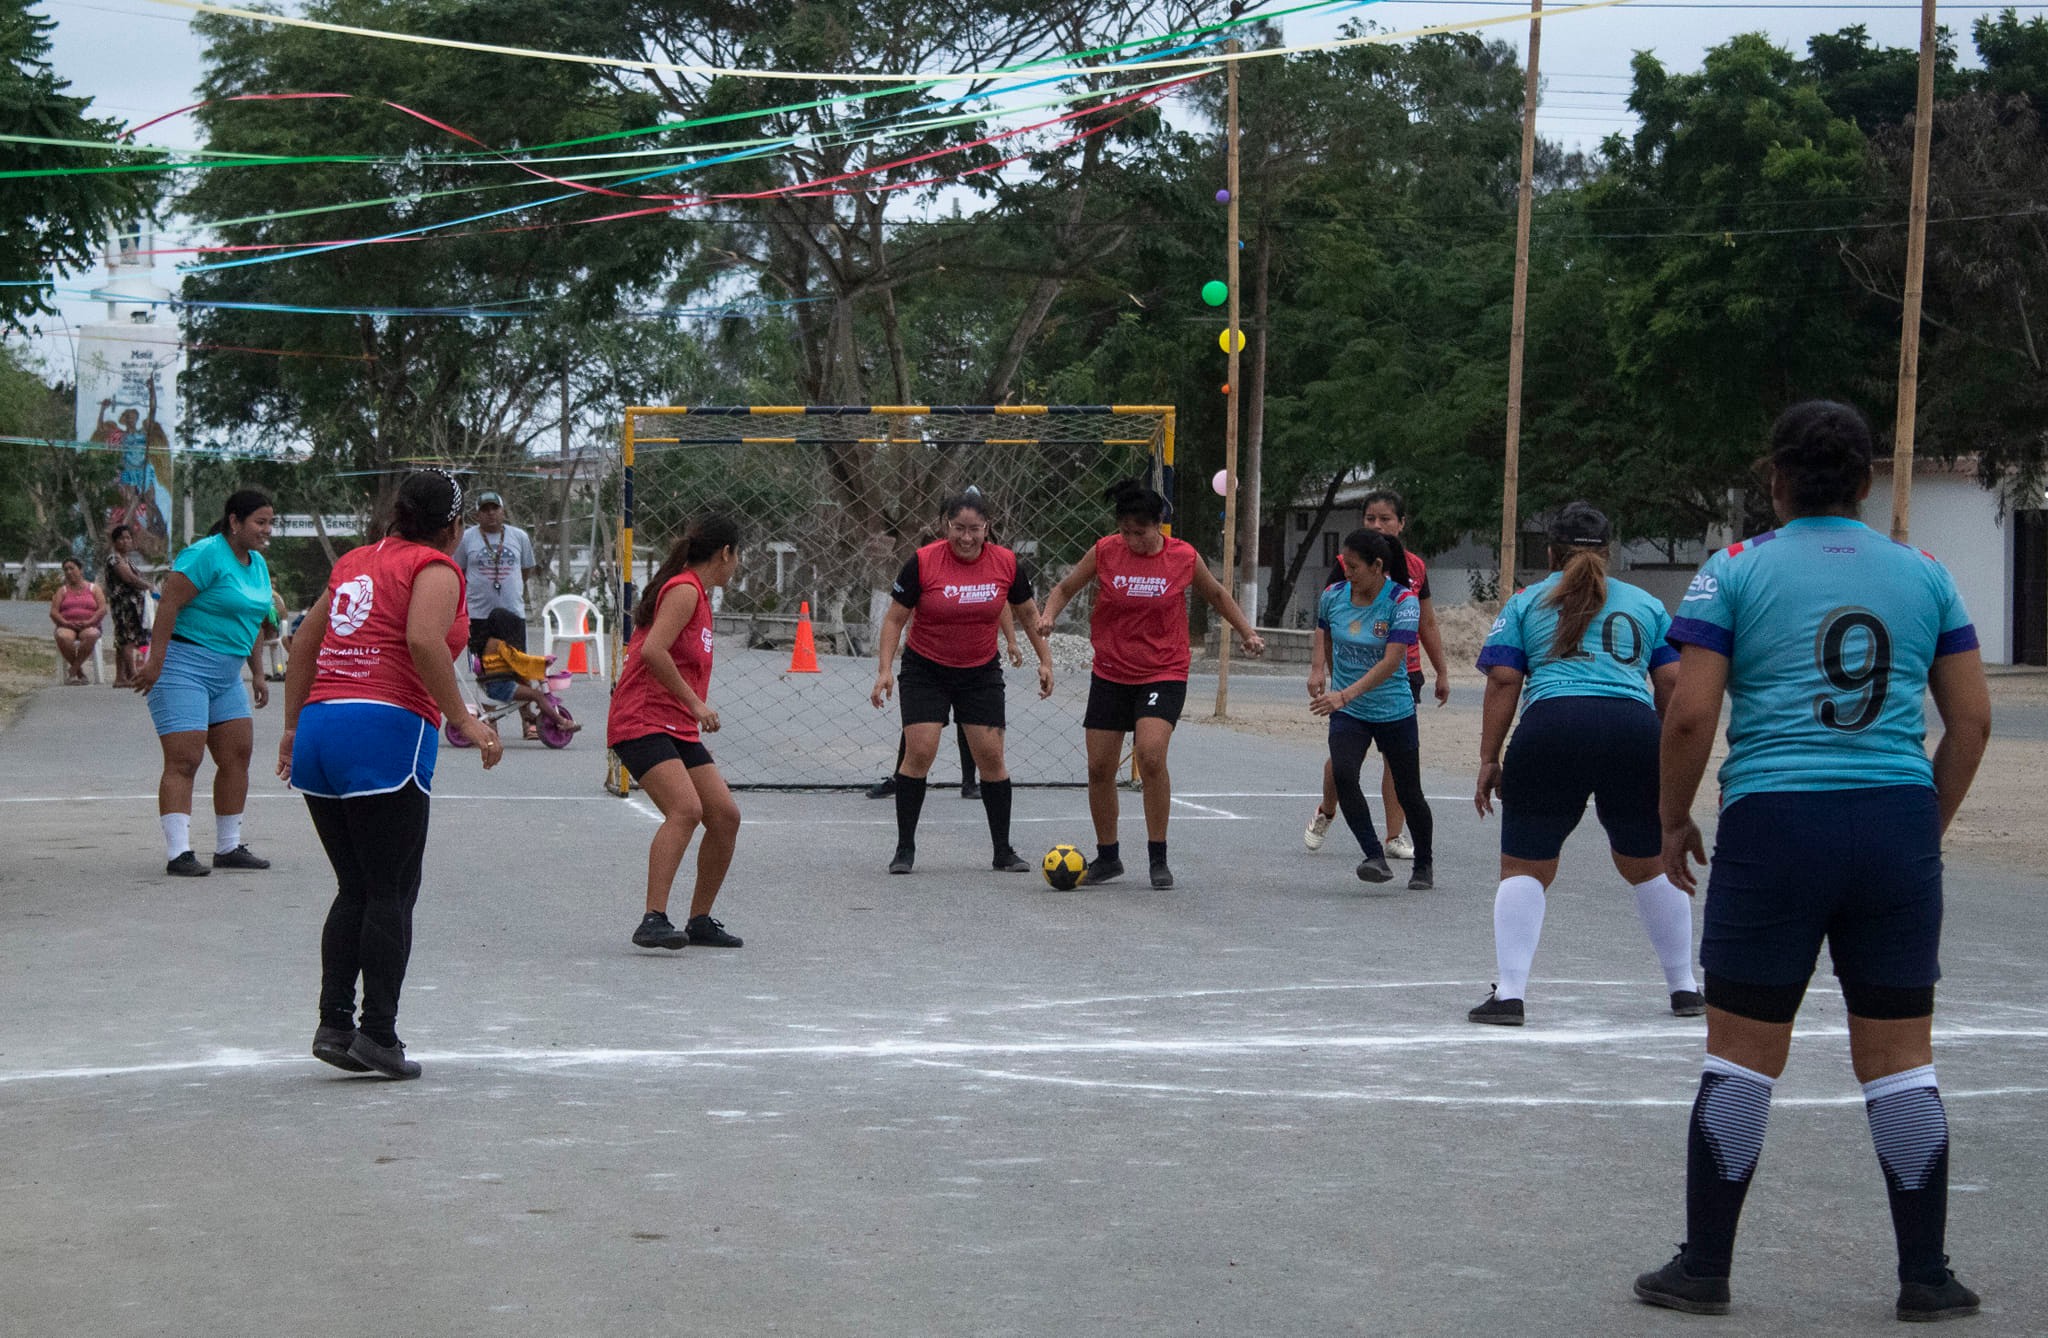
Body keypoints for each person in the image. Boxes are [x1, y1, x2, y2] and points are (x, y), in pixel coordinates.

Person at [1632, 402, 1992, 1321]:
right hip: (1894, 822)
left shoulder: (1734, 570)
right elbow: (1971, 720)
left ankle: (1705, 1268)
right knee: (1901, 1059)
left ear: (1775, 480)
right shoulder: (1927, 572)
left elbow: (1689, 714)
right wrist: (1922, 825)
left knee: (1743, 1056)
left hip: (1777, 822)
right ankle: (1926, 1277)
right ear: (1867, 481)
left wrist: (1671, 820)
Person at [281, 471, 501, 1080]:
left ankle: (333, 1024)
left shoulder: (355, 561)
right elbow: (423, 641)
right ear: (452, 525)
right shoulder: (435, 568)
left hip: (321, 727)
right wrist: (464, 719)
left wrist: (292, 728)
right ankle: (378, 1034)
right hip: (382, 728)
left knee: (355, 886)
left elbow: (304, 643)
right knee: (391, 890)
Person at [1466, 501, 1701, 1026]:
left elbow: (1504, 679)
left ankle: (1510, 995)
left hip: (1552, 727)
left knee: (1525, 866)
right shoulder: (1646, 604)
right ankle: (1684, 986)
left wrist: (1488, 757)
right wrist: (1664, 754)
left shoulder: (1525, 601)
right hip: (1633, 728)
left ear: (1551, 554)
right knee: (1648, 862)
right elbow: (1671, 682)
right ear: (1609, 554)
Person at [1038, 477, 1265, 889]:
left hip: (1164, 669)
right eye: (1125, 530)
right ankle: (1108, 857)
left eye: (1139, 532)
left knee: (1151, 756)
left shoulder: (1182, 556)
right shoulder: (1105, 550)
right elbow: (1065, 587)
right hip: (1111, 671)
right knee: (1099, 768)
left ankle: (1158, 857)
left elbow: (1216, 595)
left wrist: (1246, 632)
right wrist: (1049, 615)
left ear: (1159, 525)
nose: (1131, 539)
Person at [870, 492, 1056, 875]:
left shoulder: (1006, 563)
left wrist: (1045, 660)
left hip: (980, 672)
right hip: (926, 670)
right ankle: (904, 849)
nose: (967, 538)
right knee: (919, 752)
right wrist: (884, 669)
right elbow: (894, 619)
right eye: (959, 529)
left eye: (975, 529)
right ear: (945, 526)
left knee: (991, 757)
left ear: (988, 527)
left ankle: (1003, 850)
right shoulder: (923, 562)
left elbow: (1026, 612)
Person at [608, 516, 745, 951]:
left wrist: (688, 711)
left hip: (675, 726)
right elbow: (653, 651)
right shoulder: (684, 590)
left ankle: (699, 920)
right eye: (737, 556)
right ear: (725, 553)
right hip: (641, 719)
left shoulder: (698, 595)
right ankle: (653, 919)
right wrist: (696, 705)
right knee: (685, 809)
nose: (737, 565)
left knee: (724, 816)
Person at [132, 489, 279, 877]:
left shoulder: (257, 564)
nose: (267, 530)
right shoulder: (206, 554)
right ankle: (179, 852)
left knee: (237, 754)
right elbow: (169, 604)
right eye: (260, 522)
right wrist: (155, 662)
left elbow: (254, 619)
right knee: (185, 758)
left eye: (271, 523)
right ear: (235, 522)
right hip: (184, 667)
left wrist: (258, 673)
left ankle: (228, 846)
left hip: (227, 675)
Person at [1305, 489, 1448, 858]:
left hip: (1400, 672)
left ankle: (1393, 836)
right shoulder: (1348, 565)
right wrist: (1319, 669)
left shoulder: (1414, 573)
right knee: (1343, 762)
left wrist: (1442, 671)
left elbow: (1428, 623)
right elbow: (1326, 623)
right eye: (1370, 518)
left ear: (1401, 523)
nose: (1377, 524)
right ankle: (1328, 809)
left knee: (1395, 763)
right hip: (1351, 678)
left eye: (1385, 519)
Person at [866, 606, 1022, 802]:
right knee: (919, 724)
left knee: (973, 720)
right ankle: (901, 778)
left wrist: (1011, 640)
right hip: (930, 657)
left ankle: (969, 782)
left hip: (974, 661)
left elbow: (1002, 603)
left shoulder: (989, 586)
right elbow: (901, 612)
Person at [453, 490, 538, 736]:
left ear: (502, 511)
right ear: (477, 514)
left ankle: (529, 720)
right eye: (485, 510)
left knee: (519, 666)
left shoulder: (519, 537)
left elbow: (525, 570)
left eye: (494, 508)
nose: (490, 514)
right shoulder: (467, 539)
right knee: (485, 669)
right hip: (479, 615)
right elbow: (459, 572)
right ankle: (489, 721)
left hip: (512, 614)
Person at [104, 524, 156, 687]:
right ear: (115, 542)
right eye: (122, 538)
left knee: (122, 640)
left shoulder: (128, 560)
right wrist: (149, 586)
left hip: (134, 606)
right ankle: (133, 674)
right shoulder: (114, 560)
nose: (126, 541)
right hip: (123, 606)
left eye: (128, 538)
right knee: (128, 640)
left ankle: (121, 677)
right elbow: (129, 579)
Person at [48, 558, 108, 685]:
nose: (69, 572)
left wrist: (90, 622)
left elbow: (102, 609)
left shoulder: (94, 588)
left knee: (91, 635)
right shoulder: (62, 591)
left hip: (89, 625)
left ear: (80, 570)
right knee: (62, 636)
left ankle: (73, 670)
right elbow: (54, 612)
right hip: (67, 625)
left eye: (72, 568)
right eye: (66, 569)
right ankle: (79, 673)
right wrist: (65, 623)